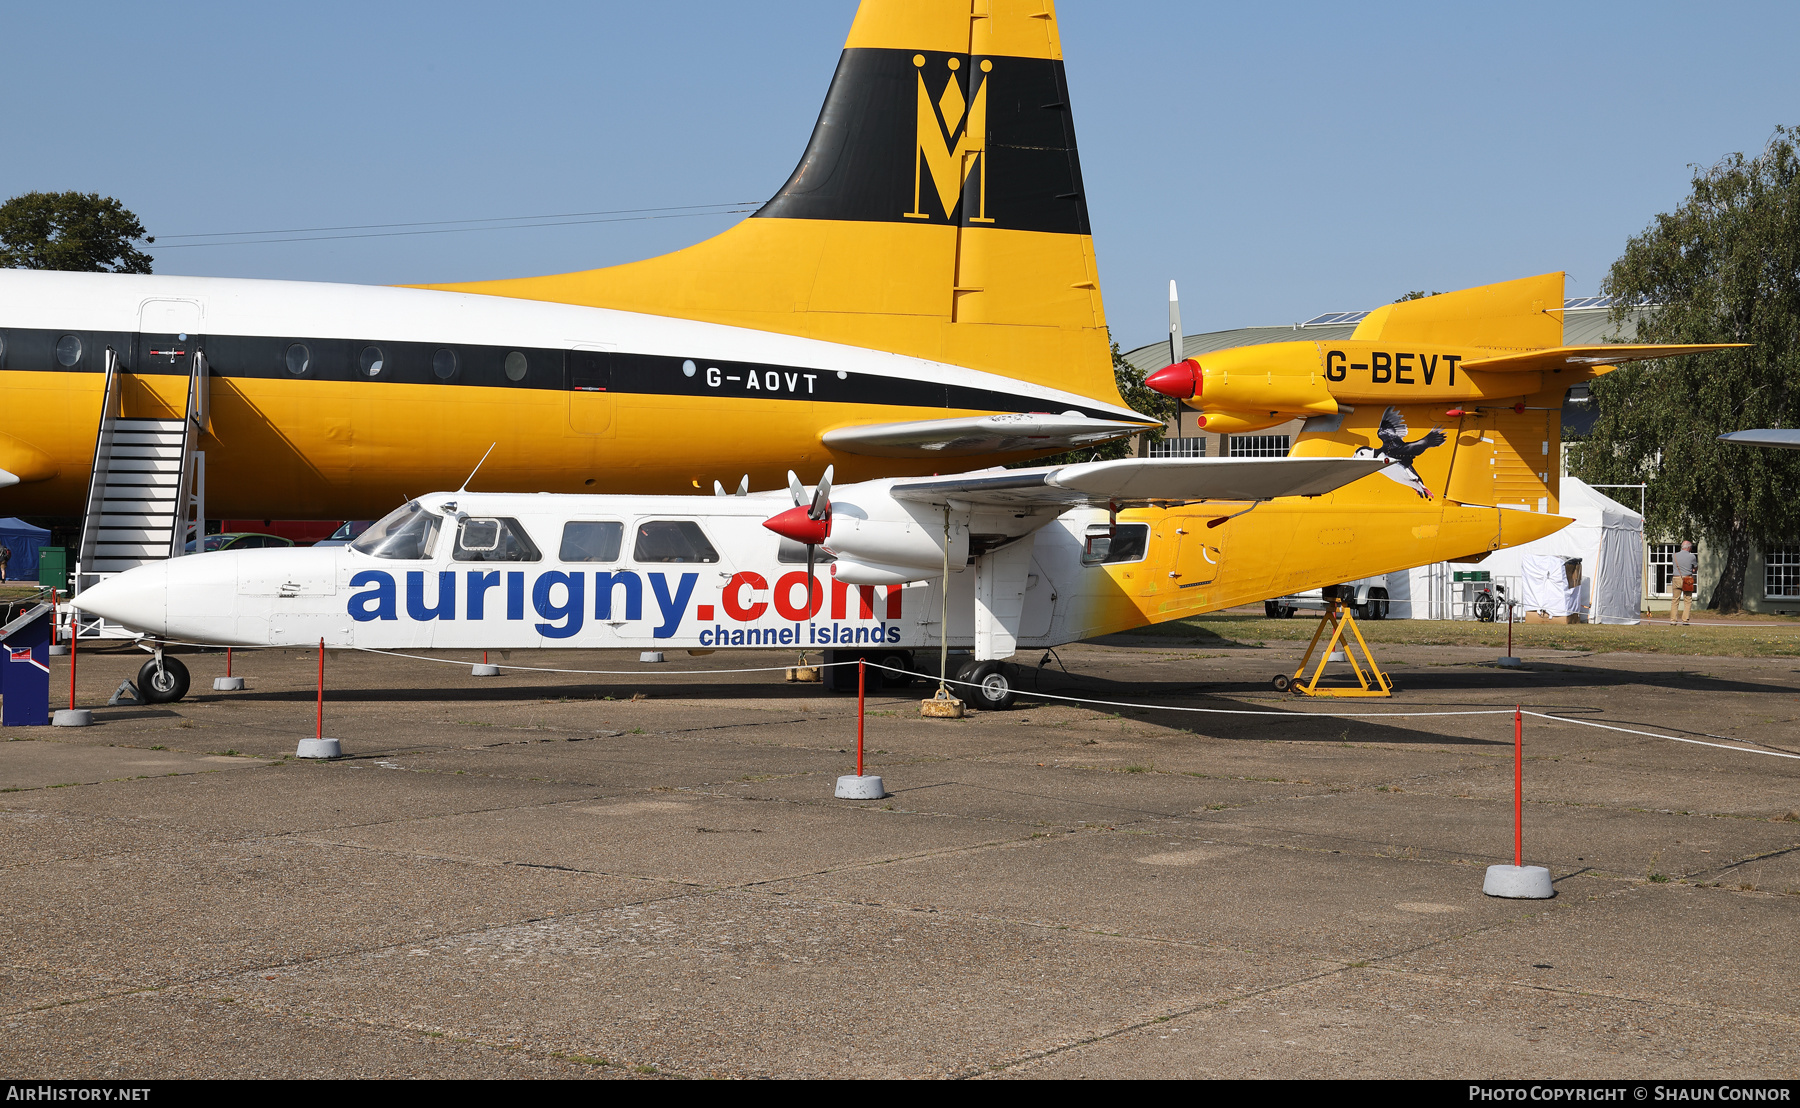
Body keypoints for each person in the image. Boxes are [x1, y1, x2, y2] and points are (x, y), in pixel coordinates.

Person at [1671, 540, 1698, 625]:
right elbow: (1695, 567)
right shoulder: (1692, 556)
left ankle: (1673, 620)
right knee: (1687, 600)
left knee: (1675, 600)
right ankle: (1685, 620)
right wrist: (1693, 569)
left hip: (1676, 578)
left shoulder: (1674, 555)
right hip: (1687, 579)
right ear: (1689, 547)